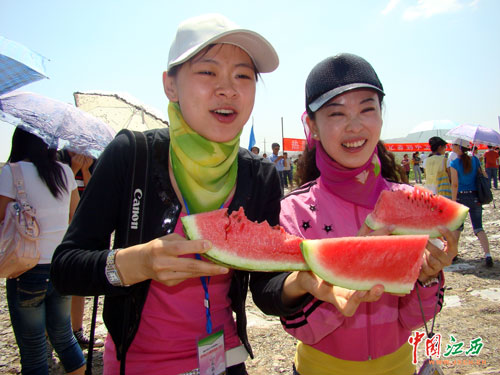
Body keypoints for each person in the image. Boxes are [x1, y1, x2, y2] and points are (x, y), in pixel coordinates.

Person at [50, 14, 309, 375]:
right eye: (207, 72)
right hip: (139, 365)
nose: (228, 89)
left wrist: (303, 281)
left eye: (243, 76)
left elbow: (265, 289)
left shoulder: (258, 174)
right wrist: (134, 263)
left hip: (227, 362)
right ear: (170, 85)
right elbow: (65, 269)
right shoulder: (132, 155)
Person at [277, 53, 457, 374]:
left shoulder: (410, 202)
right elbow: (298, 327)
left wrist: (428, 278)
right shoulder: (295, 211)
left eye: (367, 109)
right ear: (312, 126)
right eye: (336, 113)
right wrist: (345, 282)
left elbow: (415, 318)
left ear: (381, 117)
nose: (355, 126)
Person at [0, 128, 85, 375]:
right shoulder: (65, 172)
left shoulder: (11, 172)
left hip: (26, 267)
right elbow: (74, 217)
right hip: (60, 266)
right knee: (64, 337)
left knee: (34, 349)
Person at [57, 150, 104, 348]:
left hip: (81, 229)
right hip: (58, 228)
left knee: (78, 286)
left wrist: (85, 170)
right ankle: (54, 332)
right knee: (56, 287)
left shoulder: (95, 163)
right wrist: (72, 170)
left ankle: (76, 330)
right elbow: (59, 195)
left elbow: (95, 196)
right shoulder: (59, 161)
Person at [449, 138, 494, 267]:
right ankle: (487, 254)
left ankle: (453, 254)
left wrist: (453, 201)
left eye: (454, 145)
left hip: (461, 198)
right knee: (479, 227)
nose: (452, 147)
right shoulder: (475, 160)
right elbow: (483, 175)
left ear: (459, 148)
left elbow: (455, 184)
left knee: (457, 228)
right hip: (475, 197)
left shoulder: (454, 164)